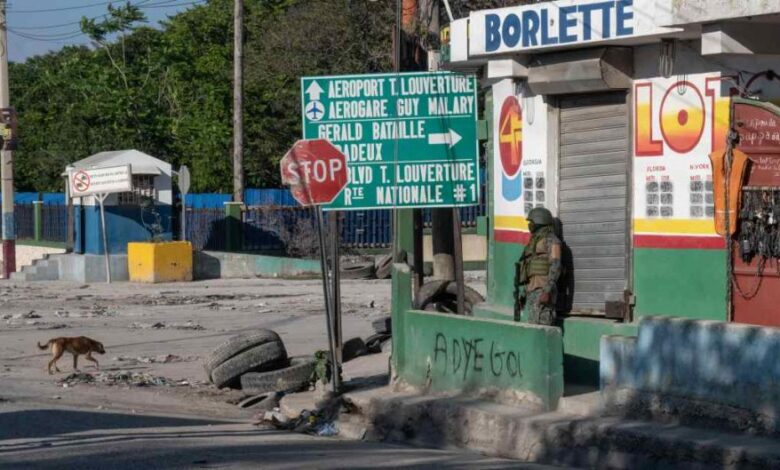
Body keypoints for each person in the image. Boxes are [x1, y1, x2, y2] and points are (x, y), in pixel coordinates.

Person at [514, 207, 562, 326]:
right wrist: (524, 294)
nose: (530, 225)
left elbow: (556, 266)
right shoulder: (533, 243)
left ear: (540, 222)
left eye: (532, 222)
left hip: (543, 291)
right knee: (533, 327)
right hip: (533, 292)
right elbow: (531, 273)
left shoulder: (552, 240)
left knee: (544, 327)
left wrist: (547, 291)